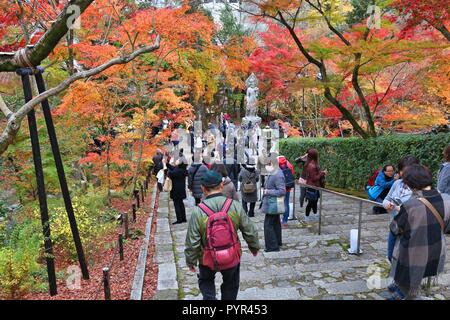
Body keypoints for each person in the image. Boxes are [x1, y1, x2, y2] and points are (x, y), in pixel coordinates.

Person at [184, 170, 260, 300]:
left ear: (202, 188)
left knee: (206, 281)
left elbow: (193, 241)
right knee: (231, 285)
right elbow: (249, 230)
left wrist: (191, 261)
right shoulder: (234, 206)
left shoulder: (198, 211)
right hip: (231, 255)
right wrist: (254, 247)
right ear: (222, 185)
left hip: (206, 257)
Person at [388, 164, 450, 300]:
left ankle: (404, 295)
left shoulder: (410, 205)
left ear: (411, 184)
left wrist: (400, 212)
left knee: (407, 283)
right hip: (436, 252)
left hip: (413, 255)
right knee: (413, 286)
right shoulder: (447, 199)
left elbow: (395, 228)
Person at [382, 156, 420, 263]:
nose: (405, 173)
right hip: (394, 227)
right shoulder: (397, 183)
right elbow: (386, 199)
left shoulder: (420, 187)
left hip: (410, 230)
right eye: (402, 170)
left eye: (408, 170)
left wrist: (403, 209)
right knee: (390, 256)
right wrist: (387, 204)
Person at [261, 163, 286, 252]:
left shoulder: (277, 174)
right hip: (272, 203)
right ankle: (277, 242)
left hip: (273, 204)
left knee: (268, 225)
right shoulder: (274, 172)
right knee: (275, 223)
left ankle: (272, 247)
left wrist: (267, 191)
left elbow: (282, 191)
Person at [303, 149, 326, 218]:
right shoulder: (312, 165)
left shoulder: (311, 163)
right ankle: (308, 216)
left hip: (314, 186)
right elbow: (314, 178)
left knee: (314, 201)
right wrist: (322, 173)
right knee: (311, 202)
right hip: (312, 187)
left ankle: (313, 215)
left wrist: (321, 172)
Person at [166, 158, 188, 224]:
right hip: (181, 189)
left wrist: (166, 170)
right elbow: (173, 168)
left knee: (177, 204)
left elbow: (170, 173)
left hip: (176, 190)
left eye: (178, 160)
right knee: (181, 203)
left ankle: (179, 219)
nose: (177, 160)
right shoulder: (182, 169)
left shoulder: (178, 171)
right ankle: (183, 218)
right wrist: (167, 163)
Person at [278, 155, 295, 227]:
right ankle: (285, 221)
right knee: (286, 203)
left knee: (279, 203)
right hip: (288, 187)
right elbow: (292, 175)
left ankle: (277, 220)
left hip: (279, 188)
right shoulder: (289, 165)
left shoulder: (277, 165)